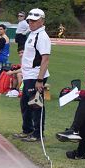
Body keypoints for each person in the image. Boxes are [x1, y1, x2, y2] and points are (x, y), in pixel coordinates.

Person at [15, 8, 51, 143]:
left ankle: (38, 133)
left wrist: (40, 80)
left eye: (34, 21)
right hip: (29, 74)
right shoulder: (32, 33)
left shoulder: (42, 36)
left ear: (42, 21)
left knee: (36, 104)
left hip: (36, 75)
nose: (31, 22)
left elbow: (45, 59)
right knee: (25, 103)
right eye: (30, 20)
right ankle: (27, 129)